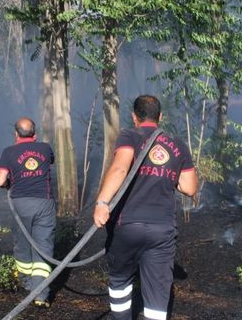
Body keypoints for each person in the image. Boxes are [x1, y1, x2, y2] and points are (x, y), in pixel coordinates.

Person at [93, 95, 199, 320]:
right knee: (158, 292)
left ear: (134, 117)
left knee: (121, 280)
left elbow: (121, 169)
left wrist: (102, 202)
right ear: (160, 117)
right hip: (162, 230)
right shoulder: (177, 144)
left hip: (127, 225)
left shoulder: (129, 135)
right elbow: (189, 187)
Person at [0, 117, 55, 308]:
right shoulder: (45, 148)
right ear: (34, 134)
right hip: (44, 203)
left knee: (22, 244)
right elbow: (49, 162)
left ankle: (28, 285)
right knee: (43, 246)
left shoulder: (8, 152)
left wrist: (7, 182)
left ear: (16, 134)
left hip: (20, 204)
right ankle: (41, 295)